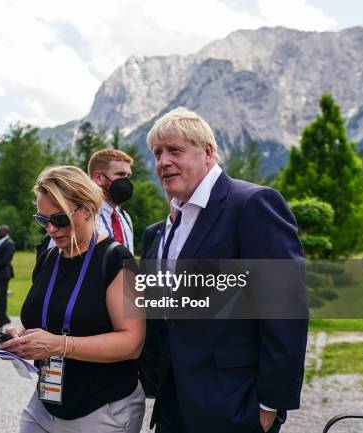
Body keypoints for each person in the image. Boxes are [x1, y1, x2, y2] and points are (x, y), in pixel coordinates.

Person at [140, 107, 308, 433]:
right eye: (158, 153)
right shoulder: (165, 227)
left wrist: (270, 404)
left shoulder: (252, 204)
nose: (163, 161)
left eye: (174, 150)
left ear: (207, 152)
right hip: (174, 402)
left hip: (234, 404)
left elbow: (286, 310)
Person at [0, 165, 145, 433]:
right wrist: (21, 337)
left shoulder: (115, 259)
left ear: (87, 209)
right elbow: (50, 317)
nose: (51, 230)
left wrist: (59, 345)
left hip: (102, 408)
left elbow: (131, 342)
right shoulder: (48, 257)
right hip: (46, 401)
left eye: (60, 219)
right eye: (43, 221)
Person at [88, 148, 135, 254]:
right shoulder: (83, 216)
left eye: (128, 176)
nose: (126, 181)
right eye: (120, 174)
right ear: (98, 177)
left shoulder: (125, 218)